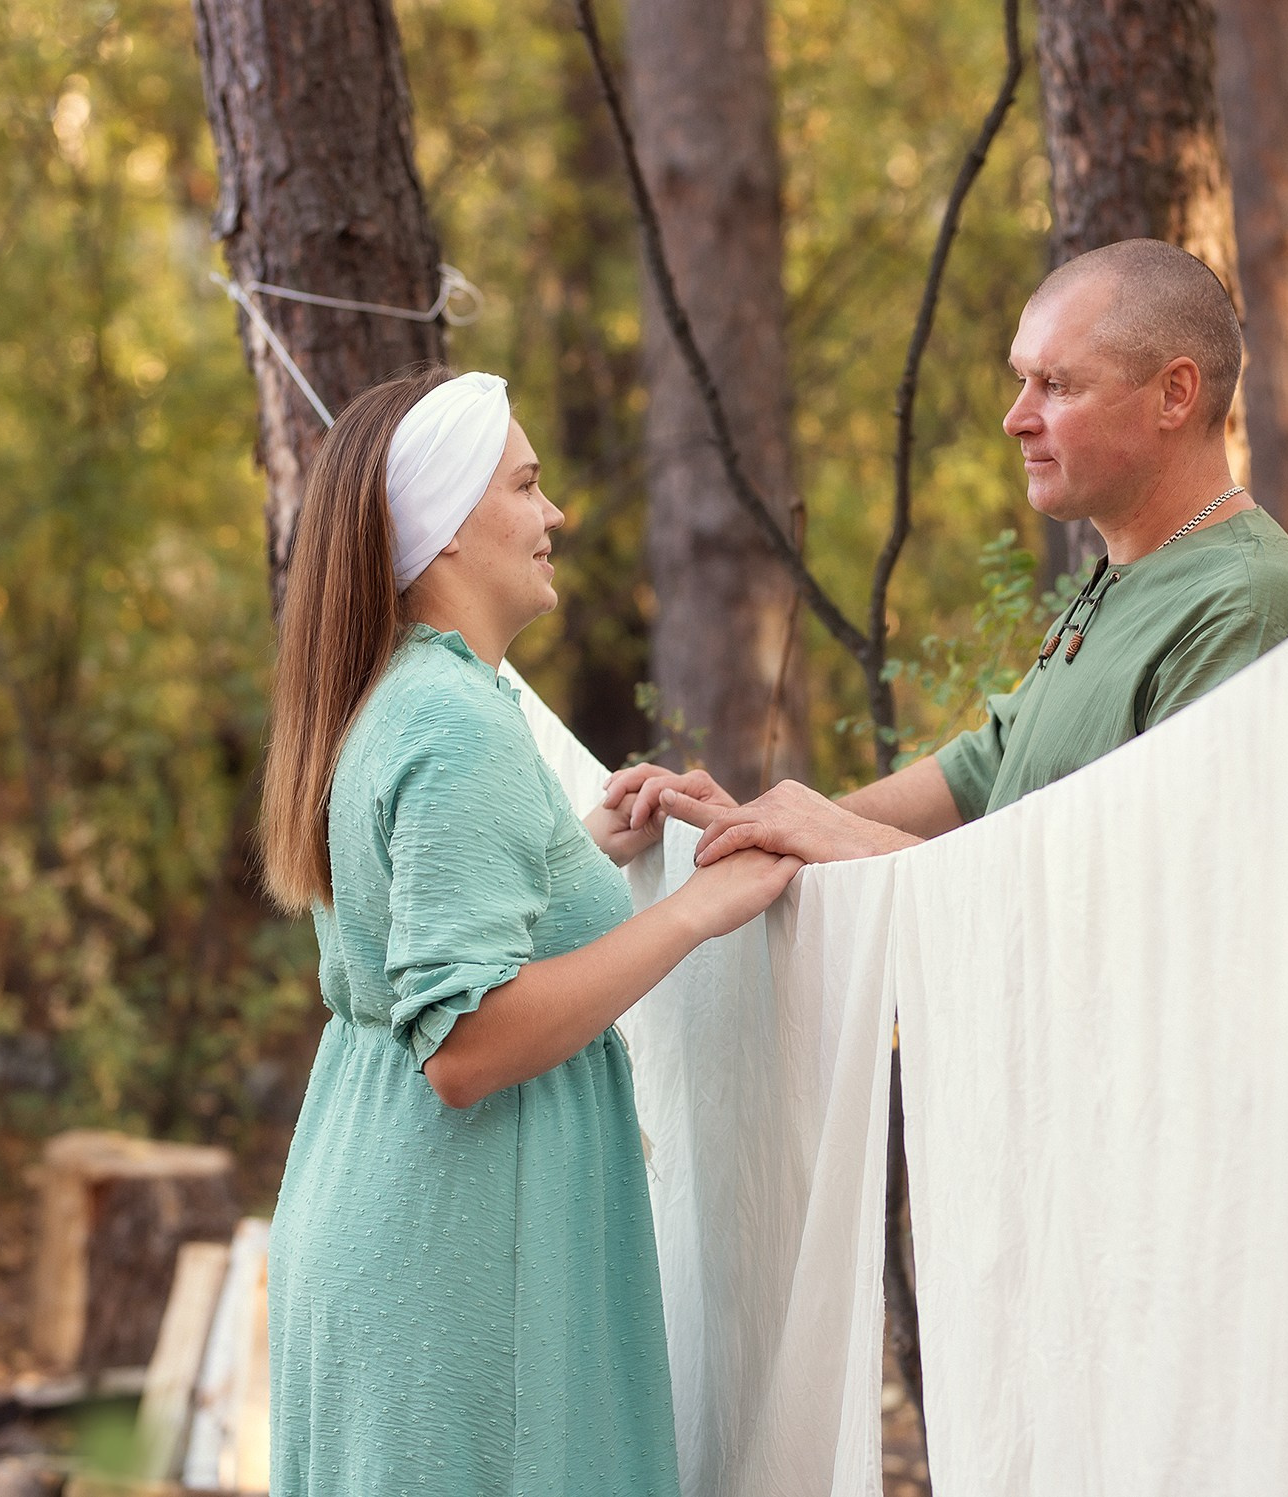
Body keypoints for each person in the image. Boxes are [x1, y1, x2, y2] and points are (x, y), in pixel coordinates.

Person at [258, 366, 795, 1497]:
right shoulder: (455, 726)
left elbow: (425, 916)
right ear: (446, 531)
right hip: (455, 1252)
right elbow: (466, 1045)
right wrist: (695, 910)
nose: (551, 517)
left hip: (387, 1207)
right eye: (526, 486)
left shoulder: (406, 693)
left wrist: (572, 857)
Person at [605, 238, 1288, 863]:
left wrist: (850, 844)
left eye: (1055, 384)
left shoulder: (1247, 604)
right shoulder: (1131, 572)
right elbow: (986, 770)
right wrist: (764, 822)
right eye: (1021, 380)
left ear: (1174, 394)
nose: (1015, 418)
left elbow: (1149, 890)